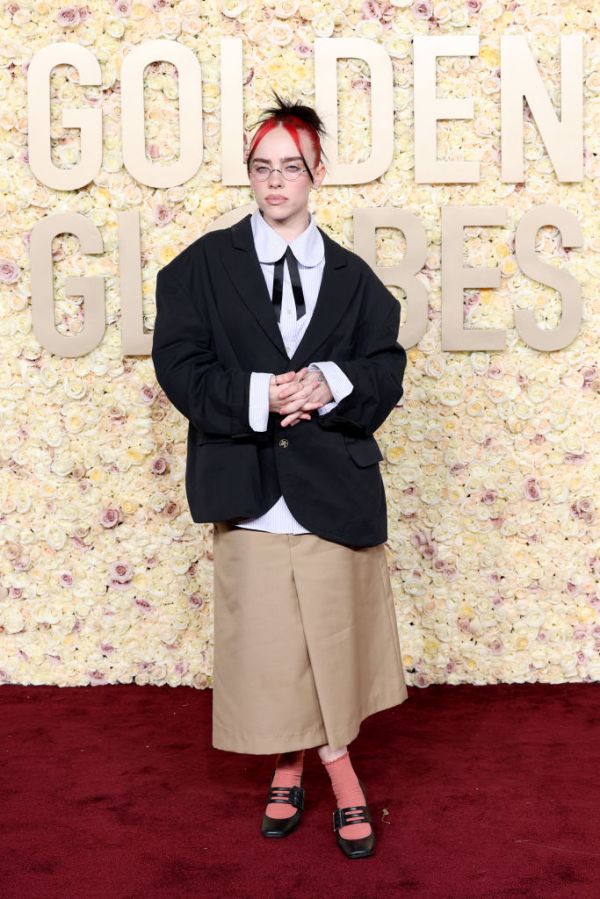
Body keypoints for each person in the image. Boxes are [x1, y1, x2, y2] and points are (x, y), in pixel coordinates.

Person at [151, 91, 409, 860]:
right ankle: (337, 770)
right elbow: (182, 368)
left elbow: (385, 368)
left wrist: (328, 381)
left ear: (316, 173)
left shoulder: (358, 278)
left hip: (334, 489)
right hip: (248, 485)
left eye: (290, 168)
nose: (274, 183)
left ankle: (293, 764)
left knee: (329, 642)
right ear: (250, 174)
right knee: (270, 647)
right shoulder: (197, 268)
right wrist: (264, 394)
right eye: (261, 168)